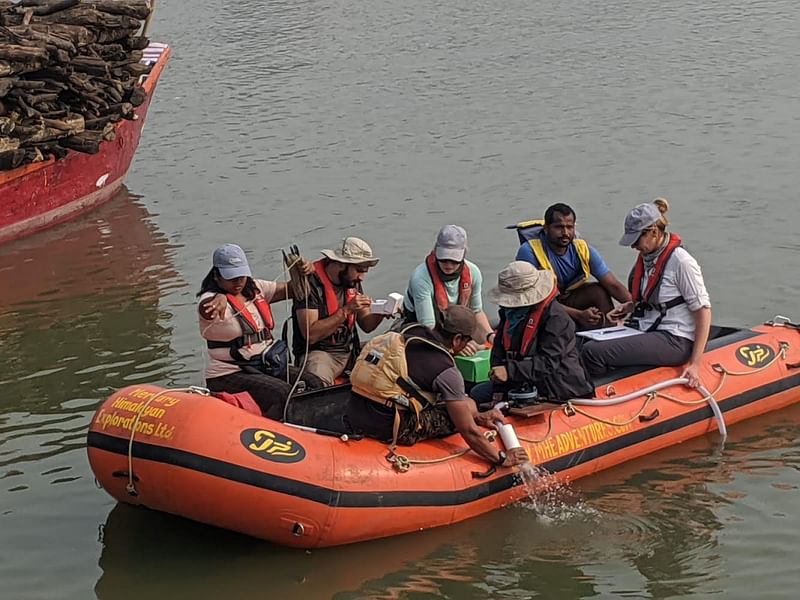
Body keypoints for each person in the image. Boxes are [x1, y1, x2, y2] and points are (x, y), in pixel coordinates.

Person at [346, 305, 529, 468]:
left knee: (468, 403)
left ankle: (475, 413)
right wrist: (501, 458)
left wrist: (476, 414)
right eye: (467, 341)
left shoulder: (411, 333)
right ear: (458, 339)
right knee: (459, 411)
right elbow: (468, 431)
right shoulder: (447, 371)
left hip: (356, 411)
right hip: (389, 426)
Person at [580, 199, 711, 388]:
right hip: (648, 328)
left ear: (654, 232)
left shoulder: (681, 262)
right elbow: (654, 298)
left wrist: (695, 364)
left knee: (593, 352)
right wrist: (628, 307)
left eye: (636, 240)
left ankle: (602, 394)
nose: (633, 247)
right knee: (581, 341)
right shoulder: (648, 258)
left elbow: (703, 311)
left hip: (676, 337)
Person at [198, 243, 324, 419]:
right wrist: (220, 297)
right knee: (283, 393)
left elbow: (294, 290)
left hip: (265, 365)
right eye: (231, 277)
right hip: (230, 372)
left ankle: (317, 425)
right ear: (217, 276)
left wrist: (304, 272)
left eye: (241, 275)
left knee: (313, 383)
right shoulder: (210, 301)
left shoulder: (256, 288)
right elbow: (206, 308)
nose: (238, 282)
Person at [469, 261, 594, 406]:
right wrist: (498, 385)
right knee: (477, 393)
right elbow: (499, 349)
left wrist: (509, 371)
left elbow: (547, 362)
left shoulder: (557, 319)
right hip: (520, 380)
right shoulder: (509, 313)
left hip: (556, 386)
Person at [515, 203, 631, 330]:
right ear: (546, 228)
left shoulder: (582, 249)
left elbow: (613, 284)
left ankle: (610, 331)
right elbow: (534, 300)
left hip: (567, 299)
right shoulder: (529, 251)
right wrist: (579, 315)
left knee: (598, 291)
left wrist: (635, 305)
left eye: (569, 227)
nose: (565, 233)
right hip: (543, 305)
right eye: (559, 227)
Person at [291, 236, 387, 386]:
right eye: (359, 270)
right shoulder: (310, 285)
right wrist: (346, 311)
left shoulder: (352, 282)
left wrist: (382, 312)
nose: (362, 278)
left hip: (350, 350)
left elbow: (366, 326)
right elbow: (310, 335)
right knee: (317, 378)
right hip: (321, 354)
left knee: (390, 357)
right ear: (342, 264)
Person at [402, 225, 493, 353]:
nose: (449, 265)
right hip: (421, 328)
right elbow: (428, 326)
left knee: (483, 346)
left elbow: (476, 311)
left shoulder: (473, 273)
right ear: (435, 252)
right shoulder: (420, 278)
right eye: (444, 259)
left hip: (452, 328)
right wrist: (457, 346)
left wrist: (490, 336)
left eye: (454, 260)